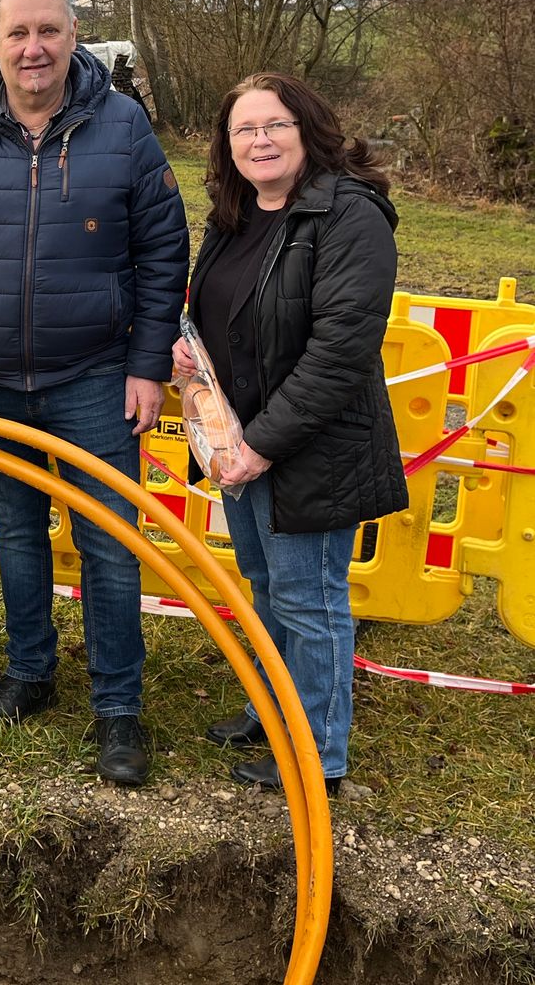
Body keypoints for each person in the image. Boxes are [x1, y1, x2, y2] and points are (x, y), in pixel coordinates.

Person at [0, 0, 189, 786]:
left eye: (50, 32)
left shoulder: (124, 129)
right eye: (18, 32)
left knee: (110, 542)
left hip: (94, 376)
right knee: (17, 533)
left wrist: (146, 363)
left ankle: (119, 709)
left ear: (74, 37)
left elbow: (165, 252)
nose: (34, 48)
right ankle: (30, 673)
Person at [173, 71, 407, 793]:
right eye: (244, 129)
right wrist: (189, 350)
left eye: (275, 125)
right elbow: (224, 310)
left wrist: (260, 446)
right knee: (267, 586)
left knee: (311, 601)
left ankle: (315, 755)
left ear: (308, 130)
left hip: (306, 449)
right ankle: (270, 708)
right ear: (227, 146)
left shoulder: (350, 218)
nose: (260, 140)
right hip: (238, 441)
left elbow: (339, 354)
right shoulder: (233, 215)